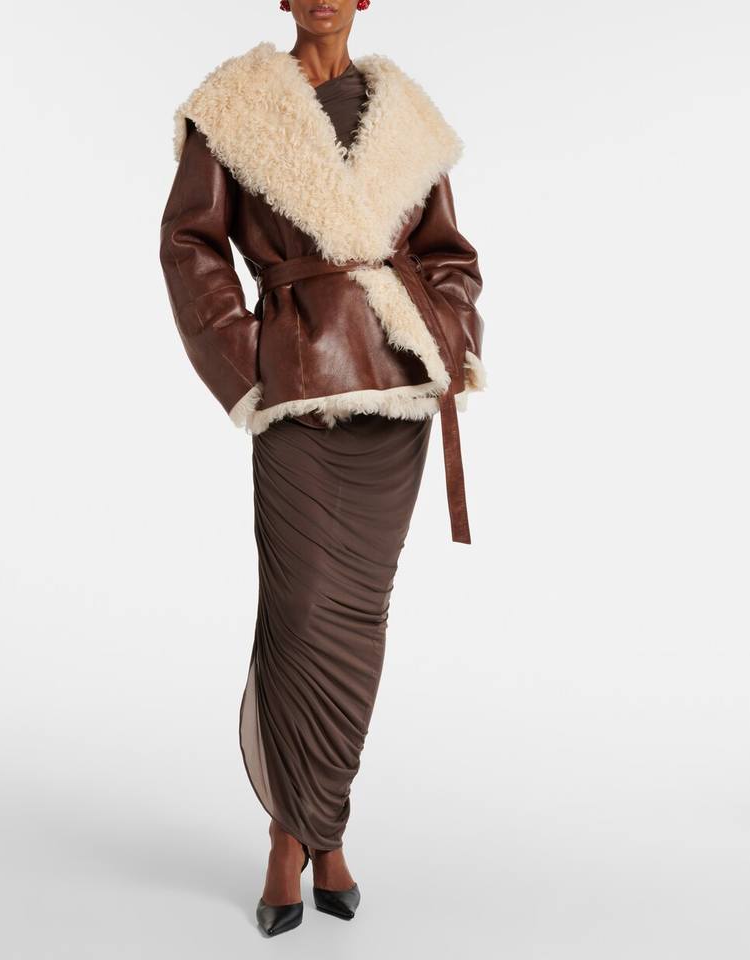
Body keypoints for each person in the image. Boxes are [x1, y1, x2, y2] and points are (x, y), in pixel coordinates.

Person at [159, 0, 486, 938]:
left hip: (396, 393)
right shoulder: (234, 104)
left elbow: (449, 255)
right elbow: (188, 245)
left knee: (358, 622)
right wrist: (252, 362)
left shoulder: (406, 115)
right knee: (299, 613)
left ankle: (322, 829)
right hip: (298, 394)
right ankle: (287, 835)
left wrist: (444, 331)